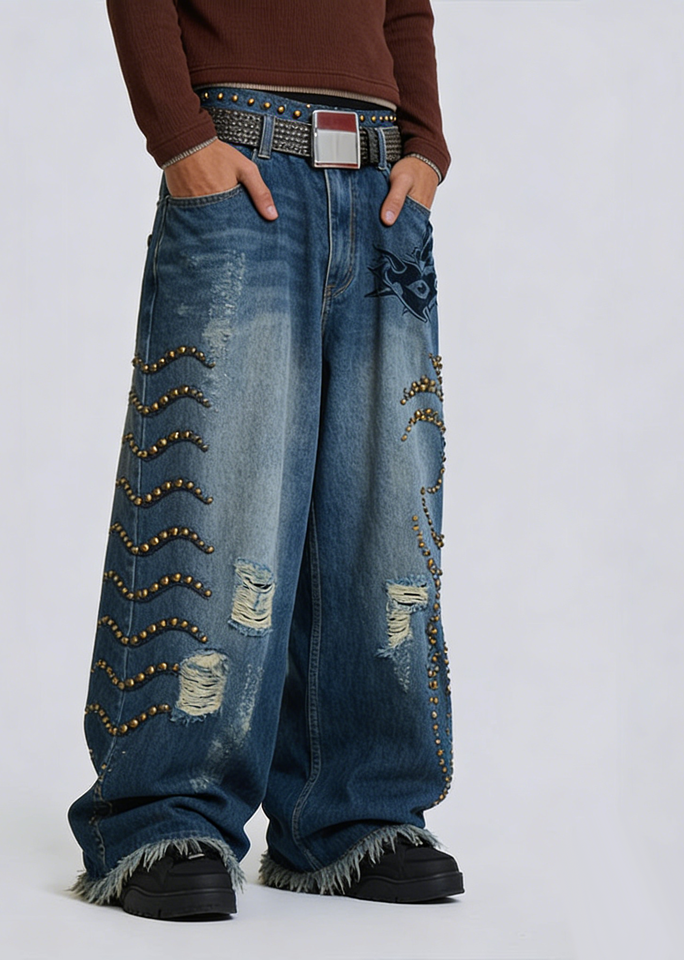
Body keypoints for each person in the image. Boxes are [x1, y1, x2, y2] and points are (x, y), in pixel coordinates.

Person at [67, 0, 463, 920]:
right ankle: (162, 814)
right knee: (221, 493)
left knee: (383, 509)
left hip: (382, 178)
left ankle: (355, 812)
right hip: (239, 161)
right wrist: (181, 137)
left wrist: (426, 147)